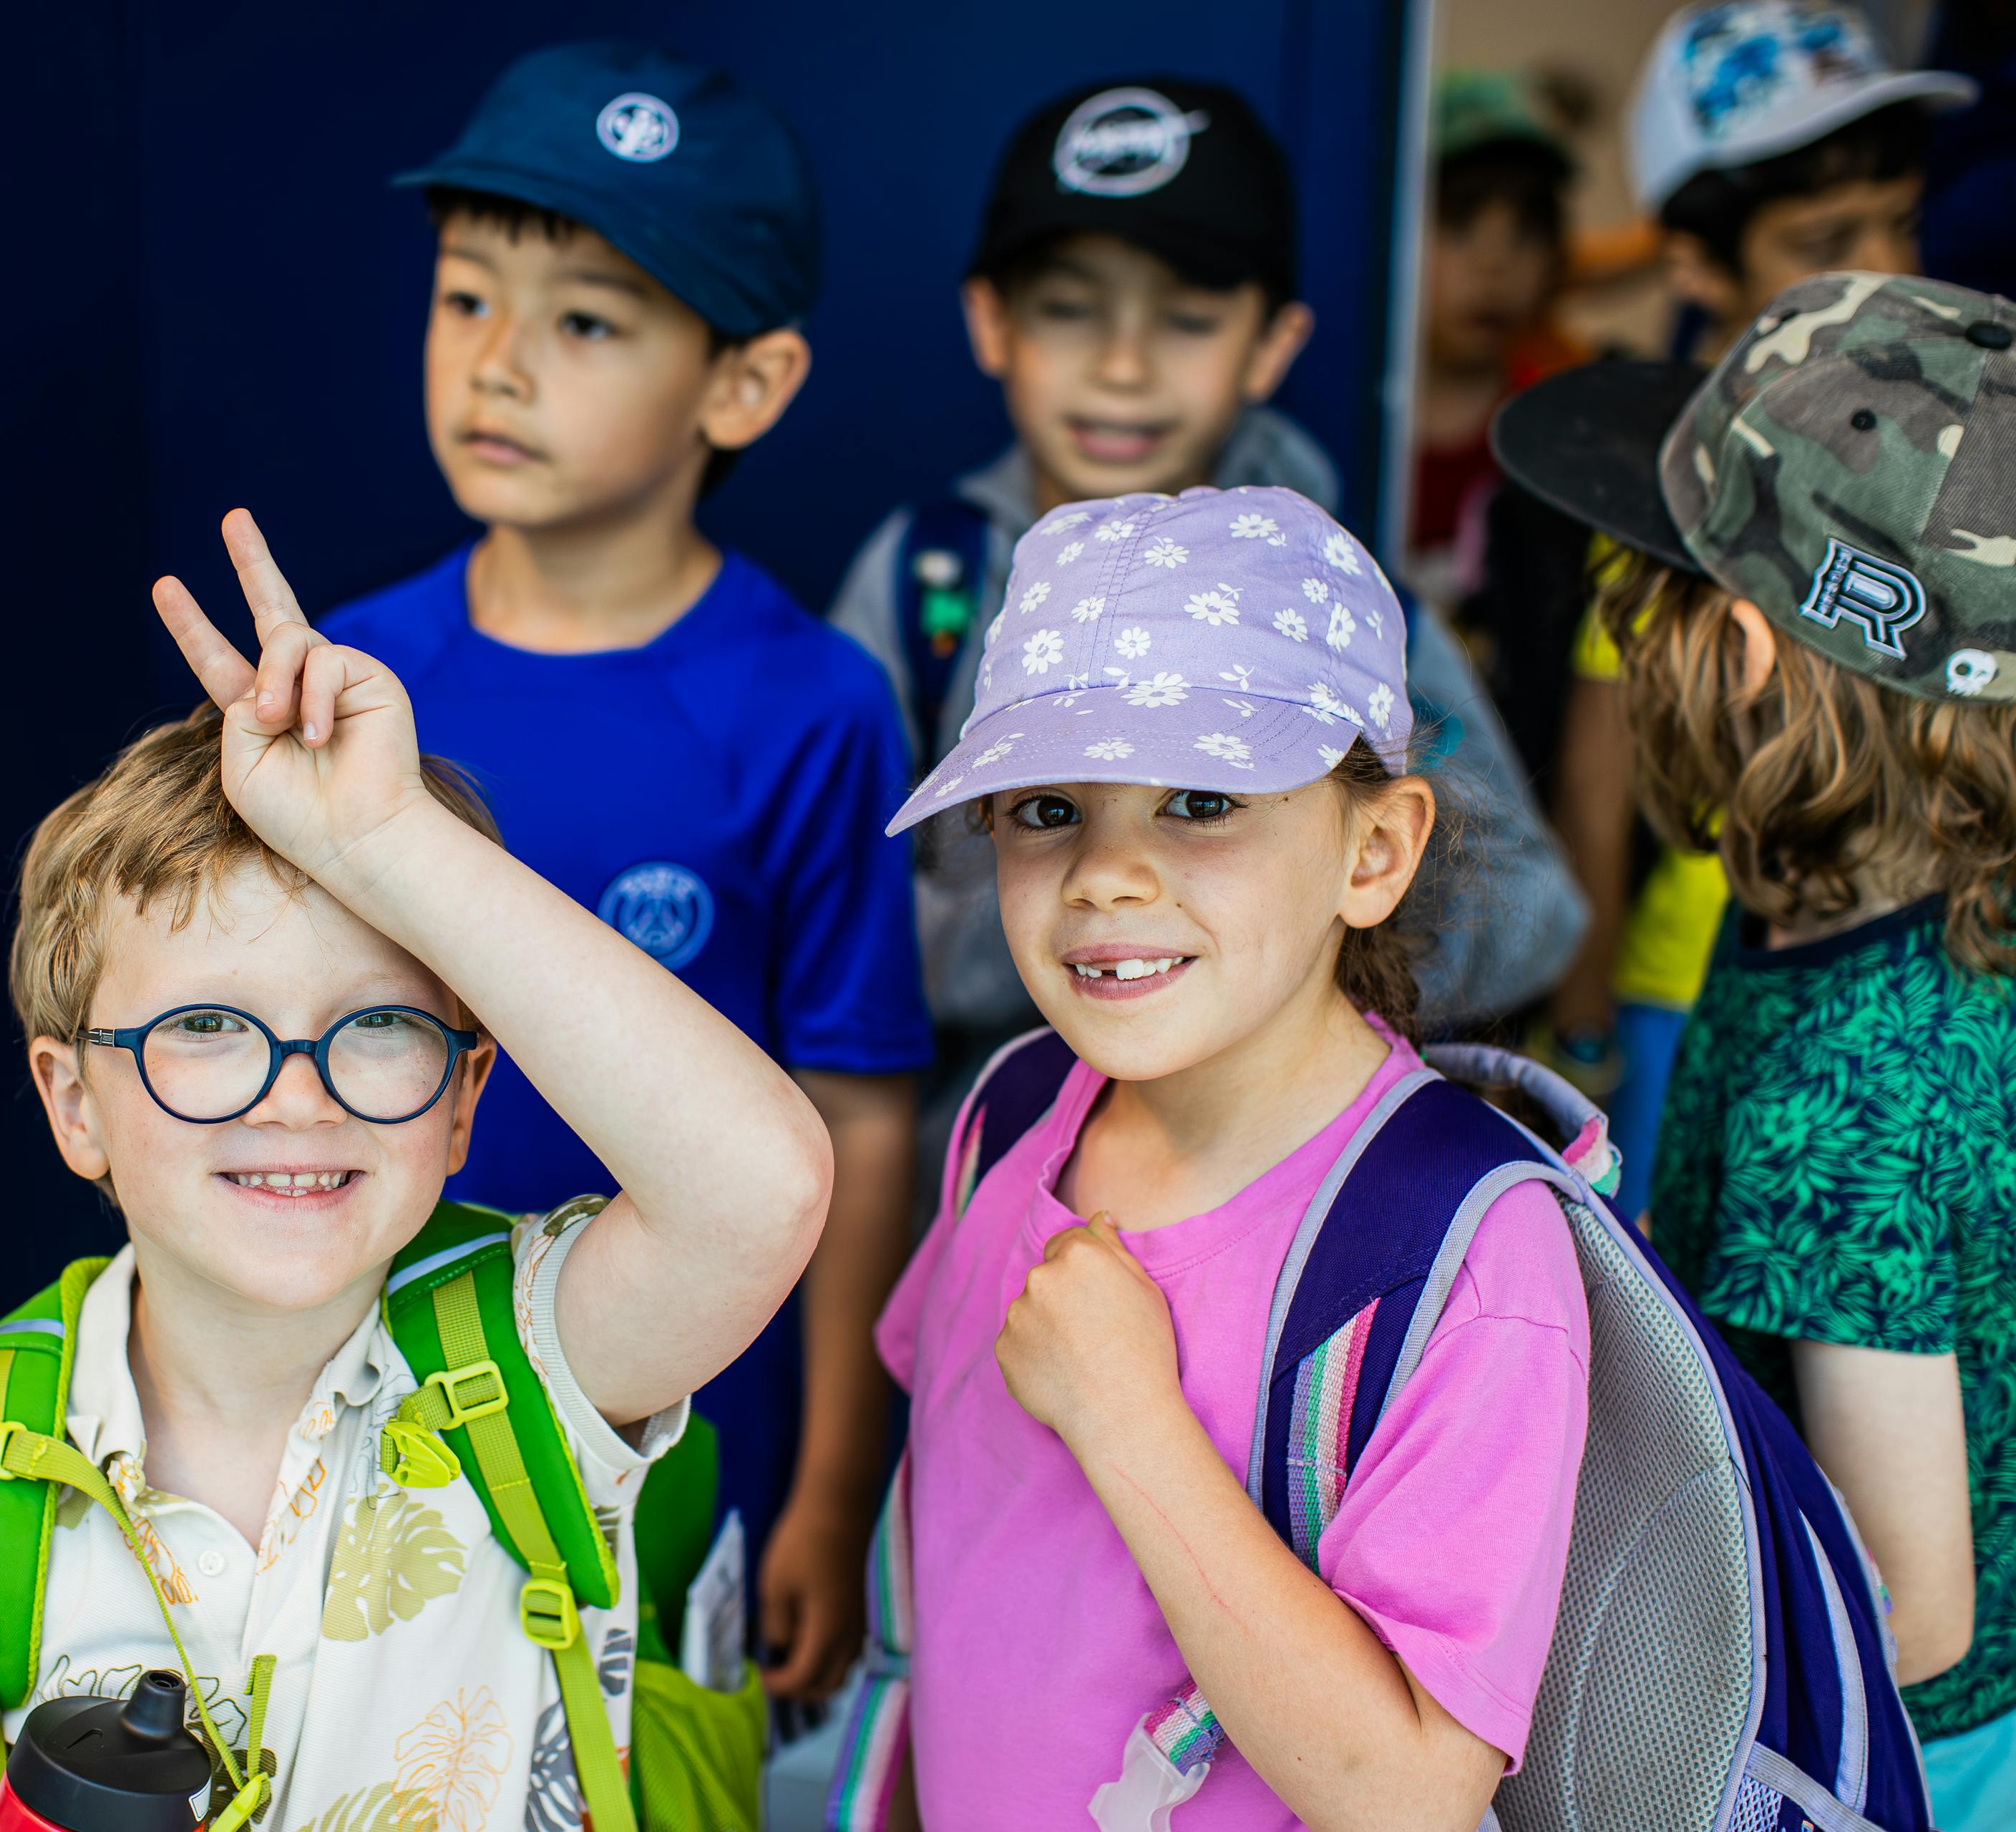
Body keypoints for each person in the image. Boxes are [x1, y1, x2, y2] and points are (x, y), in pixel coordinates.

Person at [0, 510, 836, 1830]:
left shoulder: (538, 1364)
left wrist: (384, 838)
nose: (297, 1095)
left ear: (464, 1098)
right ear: (74, 1103)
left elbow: (761, 1190)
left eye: (378, 1026)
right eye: (206, 1028)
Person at [315, 44, 928, 1708]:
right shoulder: (353, 676)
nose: (498, 361)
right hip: (365, 1419)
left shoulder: (808, 703)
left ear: (746, 382)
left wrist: (830, 1484)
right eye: (465, 298)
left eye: (585, 322)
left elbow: (857, 1111)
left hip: (673, 1435)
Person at [860, 486, 1591, 1828]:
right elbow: (969, 1558)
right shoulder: (1011, 1113)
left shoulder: (1463, 1254)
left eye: (1200, 801)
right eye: (1046, 809)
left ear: (1375, 851)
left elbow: (1411, 1796)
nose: (1106, 876)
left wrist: (1127, 1418)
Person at [824, 77, 1582, 1149]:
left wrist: (1266, 956)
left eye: (1186, 317)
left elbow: (1533, 910)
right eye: (1070, 308)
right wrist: (1069, 937)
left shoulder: (1339, 614)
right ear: (992, 321)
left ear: (1272, 343)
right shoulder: (922, 580)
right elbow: (826, 920)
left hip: (1275, 1181)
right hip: (982, 1178)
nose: (1123, 366)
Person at [1496, 270, 2016, 1827]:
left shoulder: (1846, 1100)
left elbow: (1907, 1607)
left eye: (1643, 591)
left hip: (1905, 1768)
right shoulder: (1855, 889)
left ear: (1737, 649)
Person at [1534, 0, 1976, 1217]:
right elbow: (1598, 779)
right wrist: (1583, 1021)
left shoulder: (1958, 474)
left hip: (1920, 992)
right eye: (1825, 240)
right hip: (1686, 994)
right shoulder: (1671, 488)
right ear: (1694, 264)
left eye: (1901, 220)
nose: (1884, 271)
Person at [1405, 68, 1582, 619]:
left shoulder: (1556, 440)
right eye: (1459, 229)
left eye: (1525, 235)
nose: (1494, 266)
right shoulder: (1327, 429)